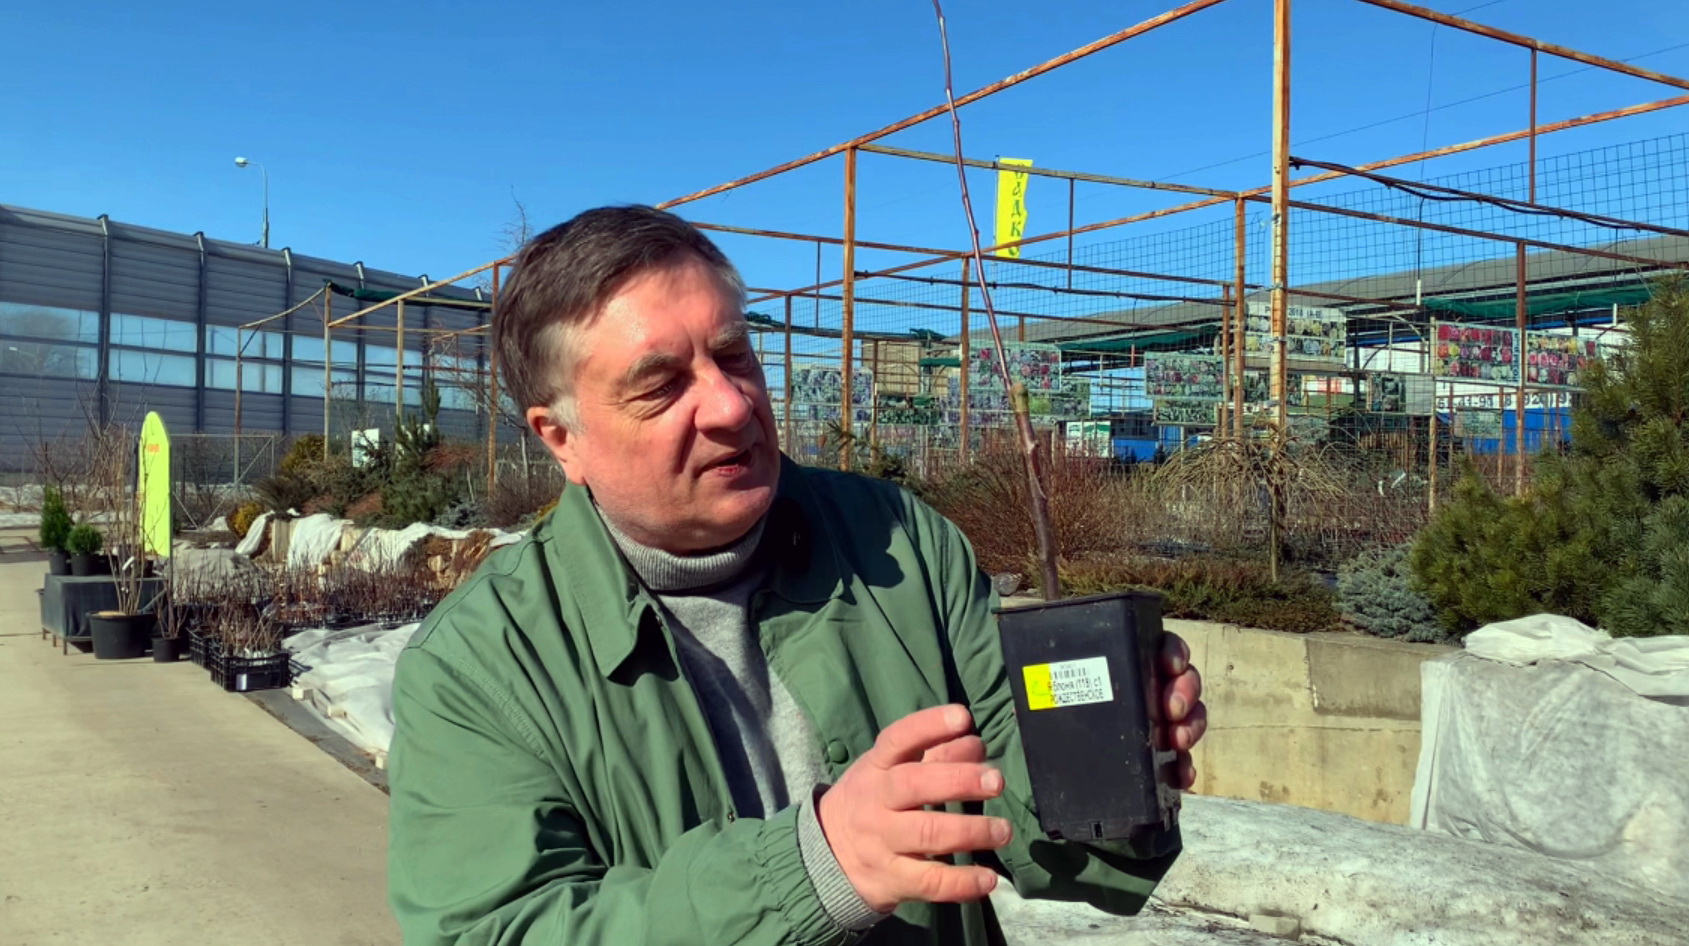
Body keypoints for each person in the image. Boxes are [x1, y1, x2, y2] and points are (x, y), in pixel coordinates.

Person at [386, 205, 1208, 946]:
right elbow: (500, 929)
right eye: (661, 386)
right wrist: (813, 870)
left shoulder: (897, 544)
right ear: (560, 438)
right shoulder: (481, 667)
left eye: (732, 354)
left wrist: (1111, 765)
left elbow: (1023, 809)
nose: (730, 405)